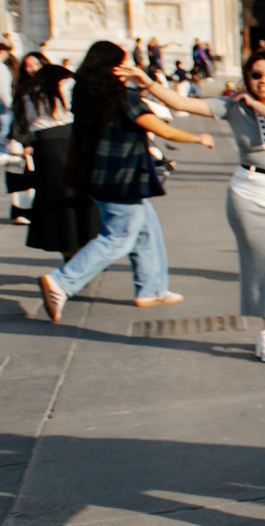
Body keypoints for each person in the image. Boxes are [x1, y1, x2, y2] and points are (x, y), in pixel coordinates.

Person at [136, 50, 265, 362]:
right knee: (256, 262)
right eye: (256, 75)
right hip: (248, 193)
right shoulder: (232, 106)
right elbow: (181, 104)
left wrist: (253, 103)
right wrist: (148, 82)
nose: (264, 81)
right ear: (247, 77)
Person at [36, 41, 214, 319]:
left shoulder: (84, 92)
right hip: (121, 178)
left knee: (145, 230)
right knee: (118, 236)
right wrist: (198, 137)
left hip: (96, 175)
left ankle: (151, 289)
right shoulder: (122, 97)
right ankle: (62, 282)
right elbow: (159, 128)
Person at [19, 58, 99, 259]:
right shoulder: (67, 85)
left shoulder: (29, 92)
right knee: (79, 193)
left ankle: (67, 249)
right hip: (71, 138)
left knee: (53, 194)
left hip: (45, 144)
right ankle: (87, 243)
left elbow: (25, 123)